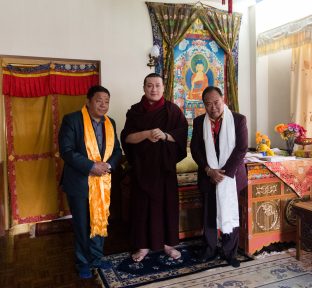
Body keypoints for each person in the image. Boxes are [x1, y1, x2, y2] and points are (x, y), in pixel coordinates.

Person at [121, 73, 188, 262]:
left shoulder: (172, 111)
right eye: (150, 86)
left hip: (164, 169)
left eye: (157, 85)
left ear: (163, 88)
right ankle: (142, 246)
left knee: (166, 206)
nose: (154, 89)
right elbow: (126, 137)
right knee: (142, 207)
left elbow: (182, 135)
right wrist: (146, 134)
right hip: (142, 169)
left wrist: (165, 135)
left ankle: (167, 244)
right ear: (144, 88)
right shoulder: (135, 111)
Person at [58, 85, 122, 278]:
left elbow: (117, 151)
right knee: (82, 224)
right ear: (88, 101)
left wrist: (108, 166)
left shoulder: (110, 122)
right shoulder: (72, 120)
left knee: (100, 220)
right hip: (79, 183)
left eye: (107, 101)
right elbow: (67, 151)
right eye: (99, 100)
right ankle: (83, 262)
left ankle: (97, 258)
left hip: (103, 182)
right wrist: (91, 166)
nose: (103, 105)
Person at [190, 86, 248, 268]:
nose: (213, 107)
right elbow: (195, 149)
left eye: (216, 102)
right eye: (208, 104)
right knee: (209, 213)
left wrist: (224, 174)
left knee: (230, 211)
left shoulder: (238, 120)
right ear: (204, 105)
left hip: (231, 177)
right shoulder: (199, 122)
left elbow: (241, 148)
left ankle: (230, 252)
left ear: (223, 100)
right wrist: (209, 170)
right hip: (208, 176)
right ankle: (209, 250)